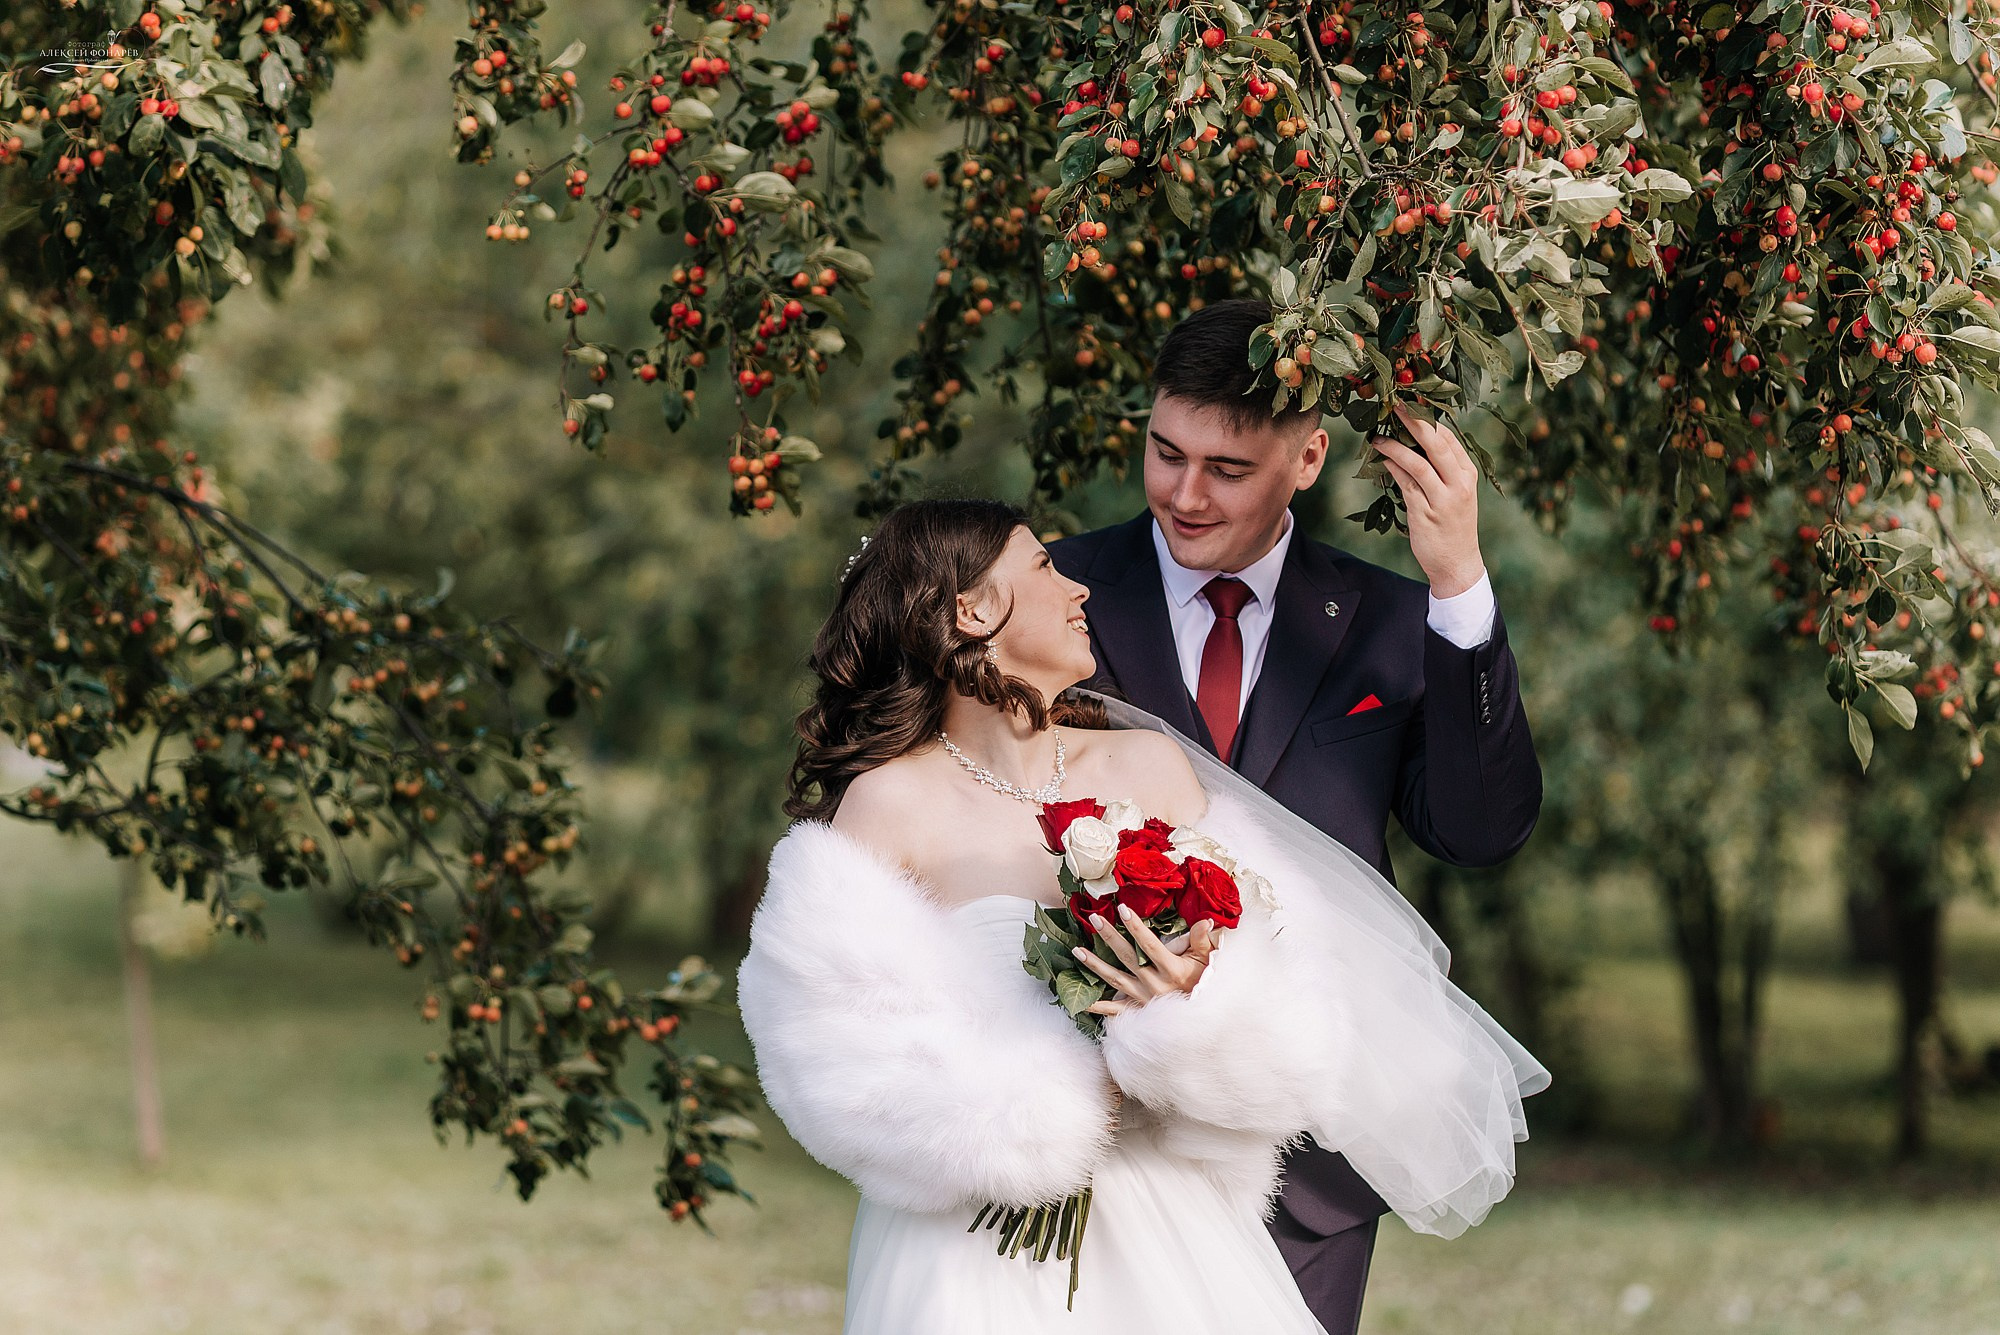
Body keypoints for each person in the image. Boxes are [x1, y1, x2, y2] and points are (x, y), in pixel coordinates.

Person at [736, 498, 1548, 1333]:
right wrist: (1049, 1108)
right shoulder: (888, 803)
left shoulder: (1147, 767)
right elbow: (836, 1051)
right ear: (972, 609)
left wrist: (1194, 1009)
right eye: (1046, 566)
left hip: (1172, 1220)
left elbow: (1289, 978)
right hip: (967, 1243)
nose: (1078, 588)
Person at [1046, 297, 1545, 1334]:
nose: (1183, 495)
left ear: (1307, 458)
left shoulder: (1391, 624)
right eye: (1163, 452)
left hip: (1301, 1161)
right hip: (1093, 1139)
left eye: (1225, 470)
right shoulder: (1058, 599)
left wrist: (1456, 584)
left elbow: (1480, 828)